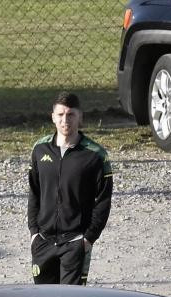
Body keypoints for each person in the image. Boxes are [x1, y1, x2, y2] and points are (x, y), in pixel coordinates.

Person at [27, 91, 114, 285]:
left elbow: (103, 201)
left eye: (71, 114)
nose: (65, 120)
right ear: (53, 117)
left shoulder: (95, 155)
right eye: (60, 115)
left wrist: (88, 238)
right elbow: (34, 193)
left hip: (75, 243)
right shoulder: (39, 149)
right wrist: (34, 233)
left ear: (80, 117)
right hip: (43, 241)